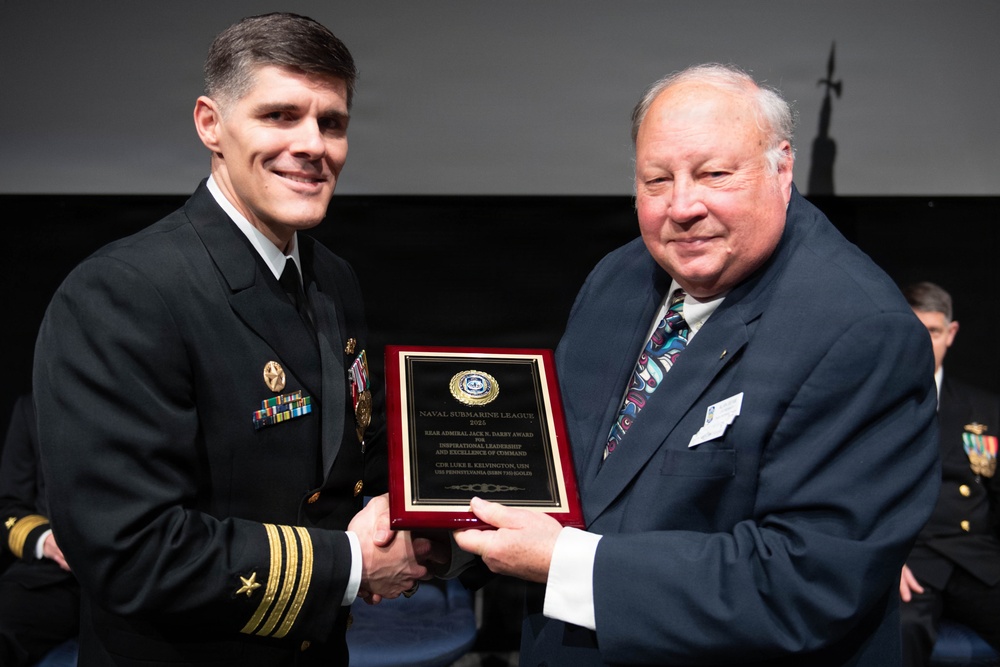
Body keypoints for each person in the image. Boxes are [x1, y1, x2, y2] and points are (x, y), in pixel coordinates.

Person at [453, 63, 941, 665]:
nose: (682, 206)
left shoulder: (862, 333)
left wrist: (568, 563)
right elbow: (569, 472)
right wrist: (436, 518)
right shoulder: (619, 277)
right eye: (657, 180)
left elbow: (803, 584)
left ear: (782, 169)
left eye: (714, 174)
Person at [32, 13, 428, 666]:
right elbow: (132, 551)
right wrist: (353, 564)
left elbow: (354, 460)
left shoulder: (333, 279)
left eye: (332, 122)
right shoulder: (122, 292)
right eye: (280, 115)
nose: (313, 145)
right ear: (210, 124)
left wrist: (424, 523)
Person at [899, 281, 1000, 666]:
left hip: (975, 556)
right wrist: (882, 563)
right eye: (914, 332)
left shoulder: (985, 410)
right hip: (910, 560)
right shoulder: (869, 404)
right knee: (901, 630)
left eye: (934, 332)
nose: (924, 343)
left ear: (951, 333)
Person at [0, 393, 79, 665]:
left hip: (132, 572)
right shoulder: (30, 407)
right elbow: (8, 510)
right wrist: (46, 541)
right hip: (53, 578)